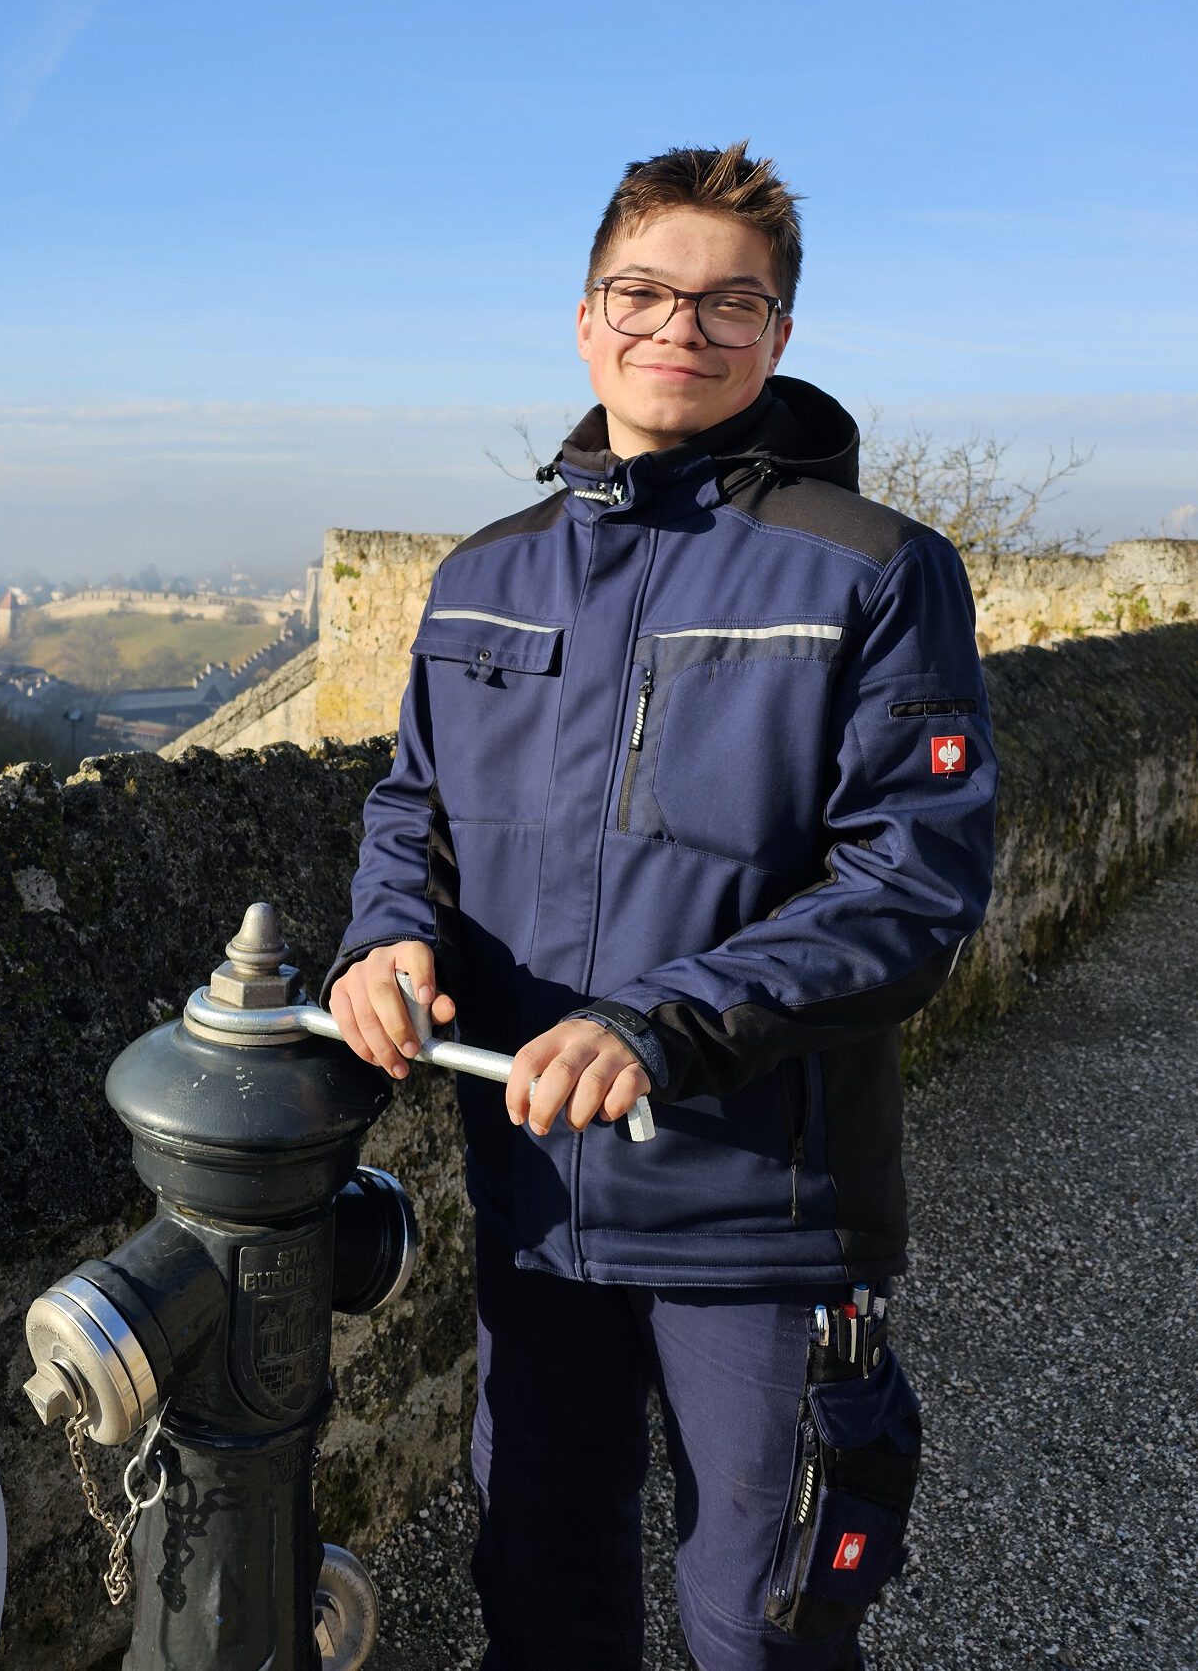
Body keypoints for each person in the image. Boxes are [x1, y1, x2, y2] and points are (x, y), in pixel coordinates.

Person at [324, 143, 997, 1671]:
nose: (677, 328)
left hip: (756, 1210)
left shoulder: (875, 572)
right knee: (540, 1598)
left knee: (758, 1626)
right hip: (534, 1200)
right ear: (586, 318)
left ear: (776, 331)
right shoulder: (483, 574)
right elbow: (412, 808)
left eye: (725, 302)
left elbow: (912, 882)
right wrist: (384, 936)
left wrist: (659, 1026)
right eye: (641, 293)